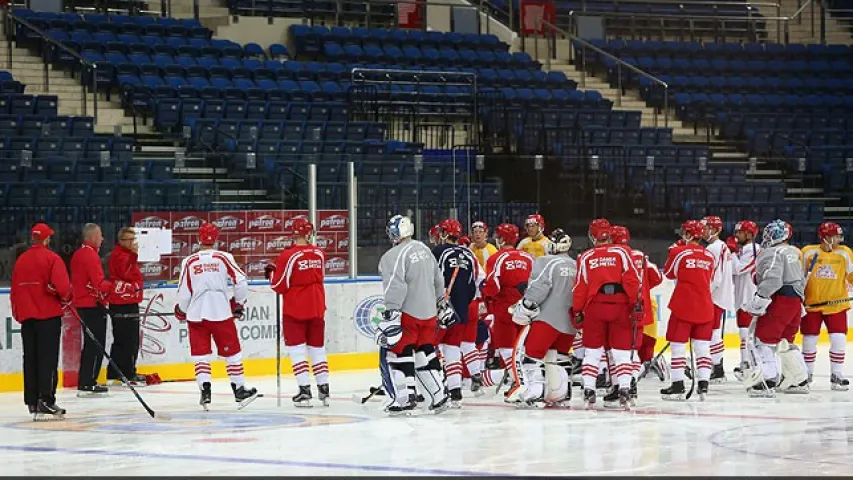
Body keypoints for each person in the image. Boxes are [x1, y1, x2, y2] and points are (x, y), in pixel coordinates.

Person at [174, 222, 259, 410]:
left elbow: (184, 291)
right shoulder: (223, 257)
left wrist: (181, 309)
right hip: (220, 311)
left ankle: (205, 391)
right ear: (216, 238)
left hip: (196, 313)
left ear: (198, 238)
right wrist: (239, 302)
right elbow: (241, 280)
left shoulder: (189, 261)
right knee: (232, 353)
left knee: (201, 355)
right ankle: (239, 390)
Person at [374, 215, 451, 415]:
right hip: (429, 314)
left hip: (409, 313)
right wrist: (440, 302)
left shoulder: (392, 256)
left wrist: (391, 310)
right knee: (424, 352)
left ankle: (405, 397)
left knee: (397, 353)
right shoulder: (425, 249)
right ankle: (439, 395)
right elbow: (438, 280)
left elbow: (395, 286)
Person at [572, 218, 640, 409]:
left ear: (593, 236)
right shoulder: (622, 252)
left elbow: (580, 287)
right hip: (620, 306)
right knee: (621, 352)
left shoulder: (585, 256)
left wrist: (577, 309)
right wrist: (635, 302)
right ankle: (625, 389)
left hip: (595, 307)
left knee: (592, 352)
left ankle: (589, 389)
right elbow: (632, 281)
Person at [507, 228, 576, 408]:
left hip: (548, 318)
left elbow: (538, 288)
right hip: (570, 322)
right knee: (560, 357)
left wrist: (525, 306)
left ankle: (535, 393)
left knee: (532, 354)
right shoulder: (576, 265)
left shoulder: (546, 262)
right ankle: (561, 393)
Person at [266, 217, 330, 407]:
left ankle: (304, 391)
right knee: (318, 349)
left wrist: (270, 273)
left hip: (295, 308)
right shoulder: (319, 253)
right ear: (309, 233)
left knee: (297, 350)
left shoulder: (289, 255)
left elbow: (279, 285)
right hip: (317, 305)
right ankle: (324, 389)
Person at [10, 223, 70, 420]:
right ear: (46, 239)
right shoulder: (52, 258)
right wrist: (64, 297)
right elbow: (63, 288)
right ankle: (46, 399)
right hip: (48, 317)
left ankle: (32, 401)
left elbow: (15, 291)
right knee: (47, 360)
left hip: (27, 318)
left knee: (31, 359)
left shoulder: (21, 261)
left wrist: (18, 313)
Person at [743, 220, 808, 397]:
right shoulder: (793, 252)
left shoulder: (772, 252)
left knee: (764, 339)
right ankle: (798, 379)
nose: (766, 237)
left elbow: (773, 280)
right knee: (785, 342)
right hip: (795, 302)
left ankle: (767, 380)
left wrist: (759, 299)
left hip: (780, 301)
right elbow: (801, 281)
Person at [660, 220, 716, 401]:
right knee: (702, 347)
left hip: (683, 306)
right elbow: (710, 277)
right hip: (705, 306)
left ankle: (677, 385)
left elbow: (668, 273)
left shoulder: (678, 252)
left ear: (689, 235)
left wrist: (672, 252)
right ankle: (704, 385)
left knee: (678, 347)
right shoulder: (709, 255)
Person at [611, 225, 663, 401]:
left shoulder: (614, 257)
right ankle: (630, 382)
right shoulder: (640, 255)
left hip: (624, 310)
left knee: (622, 351)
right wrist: (645, 289)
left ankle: (624, 384)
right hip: (645, 310)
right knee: (639, 351)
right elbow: (657, 277)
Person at [431, 218, 479, 406]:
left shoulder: (436, 252)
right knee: (453, 350)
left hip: (440, 311)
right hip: (461, 311)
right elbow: (473, 286)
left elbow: (431, 281)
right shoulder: (469, 254)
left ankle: (429, 389)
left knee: (428, 349)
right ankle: (455, 391)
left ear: (443, 233)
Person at [481, 223, 533, 392]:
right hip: (526, 307)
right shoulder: (528, 257)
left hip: (505, 307)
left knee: (506, 347)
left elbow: (492, 286)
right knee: (523, 347)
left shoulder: (497, 258)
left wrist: (488, 298)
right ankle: (528, 382)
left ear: (502, 239)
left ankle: (519, 382)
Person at [800, 222, 851, 391]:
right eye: (836, 236)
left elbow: (851, 276)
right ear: (826, 237)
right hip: (812, 305)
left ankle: (836, 374)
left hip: (837, 304)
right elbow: (799, 277)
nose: (839, 239)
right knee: (809, 340)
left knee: (838, 339)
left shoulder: (845, 253)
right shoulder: (808, 252)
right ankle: (806, 375)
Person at [71, 223, 113, 397]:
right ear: (93, 237)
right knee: (96, 344)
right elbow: (98, 283)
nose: (102, 239)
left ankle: (86, 381)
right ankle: (88, 382)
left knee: (90, 344)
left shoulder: (78, 254)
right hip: (91, 305)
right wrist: (114, 287)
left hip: (83, 304)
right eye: (100, 235)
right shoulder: (90, 256)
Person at [106, 227, 146, 387]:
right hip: (124, 301)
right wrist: (134, 255)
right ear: (121, 241)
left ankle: (116, 372)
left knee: (122, 339)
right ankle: (128, 372)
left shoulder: (122, 255)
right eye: (130, 240)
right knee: (129, 339)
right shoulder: (122, 256)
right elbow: (126, 273)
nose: (133, 243)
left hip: (125, 301)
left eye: (133, 239)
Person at [702, 216, 734, 383]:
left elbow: (716, 276)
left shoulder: (715, 248)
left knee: (713, 333)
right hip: (719, 296)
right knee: (713, 332)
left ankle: (717, 369)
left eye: (706, 227)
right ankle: (717, 367)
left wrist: (705, 292)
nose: (703, 230)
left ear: (715, 230)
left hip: (714, 297)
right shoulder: (720, 247)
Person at [728, 220, 761, 380]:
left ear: (749, 234)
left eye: (739, 232)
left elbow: (738, 269)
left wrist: (732, 253)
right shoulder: (744, 250)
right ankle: (747, 363)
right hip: (742, 297)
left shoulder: (754, 250)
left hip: (750, 298)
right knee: (745, 333)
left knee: (746, 334)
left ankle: (748, 364)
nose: (736, 235)